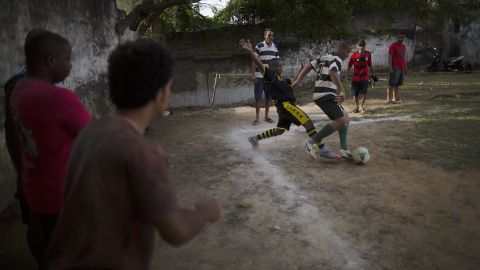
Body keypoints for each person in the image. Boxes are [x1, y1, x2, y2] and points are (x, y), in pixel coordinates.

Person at [46, 39, 220, 270]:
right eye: (169, 86)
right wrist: (204, 212)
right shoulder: (143, 151)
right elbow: (176, 231)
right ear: (160, 94)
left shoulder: (90, 131)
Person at [10, 30, 91, 268]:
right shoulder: (60, 98)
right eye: (67, 59)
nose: (70, 65)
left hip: (37, 191)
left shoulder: (18, 91)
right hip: (64, 192)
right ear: (50, 61)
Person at [3, 29, 49, 269]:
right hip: (35, 167)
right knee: (37, 221)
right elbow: (13, 130)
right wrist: (23, 173)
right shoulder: (20, 83)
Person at [240, 39, 320, 154]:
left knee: (280, 130)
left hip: (284, 108)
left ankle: (255, 138)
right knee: (308, 123)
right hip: (286, 106)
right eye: (278, 66)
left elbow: (293, 80)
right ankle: (321, 148)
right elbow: (259, 63)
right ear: (272, 68)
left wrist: (302, 68)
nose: (281, 68)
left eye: (281, 66)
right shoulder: (270, 76)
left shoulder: (282, 79)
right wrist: (251, 52)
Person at [292, 41, 353, 160]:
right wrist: (342, 90)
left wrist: (297, 81)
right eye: (347, 51)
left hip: (321, 94)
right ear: (341, 49)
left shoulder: (324, 57)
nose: (348, 55)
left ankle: (344, 149)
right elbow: (333, 72)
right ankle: (311, 142)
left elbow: (308, 66)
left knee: (345, 117)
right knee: (341, 120)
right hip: (325, 94)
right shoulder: (337, 59)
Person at [251, 28, 280, 125]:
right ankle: (256, 118)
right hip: (259, 75)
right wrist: (253, 75)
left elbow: (277, 62)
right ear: (265, 36)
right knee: (258, 97)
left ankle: (267, 116)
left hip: (270, 76)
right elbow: (254, 60)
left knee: (269, 97)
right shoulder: (259, 46)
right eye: (269, 35)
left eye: (272, 35)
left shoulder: (275, 47)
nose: (270, 37)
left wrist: (277, 74)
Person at [346, 39, 373, 113]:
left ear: (365, 46)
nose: (361, 47)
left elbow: (370, 64)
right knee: (355, 93)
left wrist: (371, 74)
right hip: (356, 78)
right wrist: (347, 74)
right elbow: (349, 65)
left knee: (364, 92)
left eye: (363, 46)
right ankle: (357, 107)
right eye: (360, 46)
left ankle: (361, 107)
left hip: (365, 77)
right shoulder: (354, 55)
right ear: (357, 46)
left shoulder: (368, 54)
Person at [387, 34, 407, 103]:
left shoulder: (403, 46)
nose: (401, 39)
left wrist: (405, 66)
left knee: (398, 84)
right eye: (400, 37)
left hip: (401, 68)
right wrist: (390, 67)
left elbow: (404, 57)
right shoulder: (393, 46)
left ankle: (395, 98)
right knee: (392, 83)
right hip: (395, 67)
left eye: (402, 37)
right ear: (397, 38)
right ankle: (388, 98)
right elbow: (390, 57)